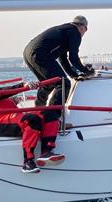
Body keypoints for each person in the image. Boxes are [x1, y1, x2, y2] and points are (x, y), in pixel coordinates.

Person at [22, 16, 95, 163]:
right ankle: (52, 118)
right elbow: (74, 57)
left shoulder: (64, 31)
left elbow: (64, 59)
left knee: (49, 83)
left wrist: (75, 75)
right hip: (39, 53)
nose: (84, 33)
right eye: (86, 30)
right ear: (83, 27)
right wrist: (85, 70)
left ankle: (40, 113)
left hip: (29, 52)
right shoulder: (74, 32)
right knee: (63, 83)